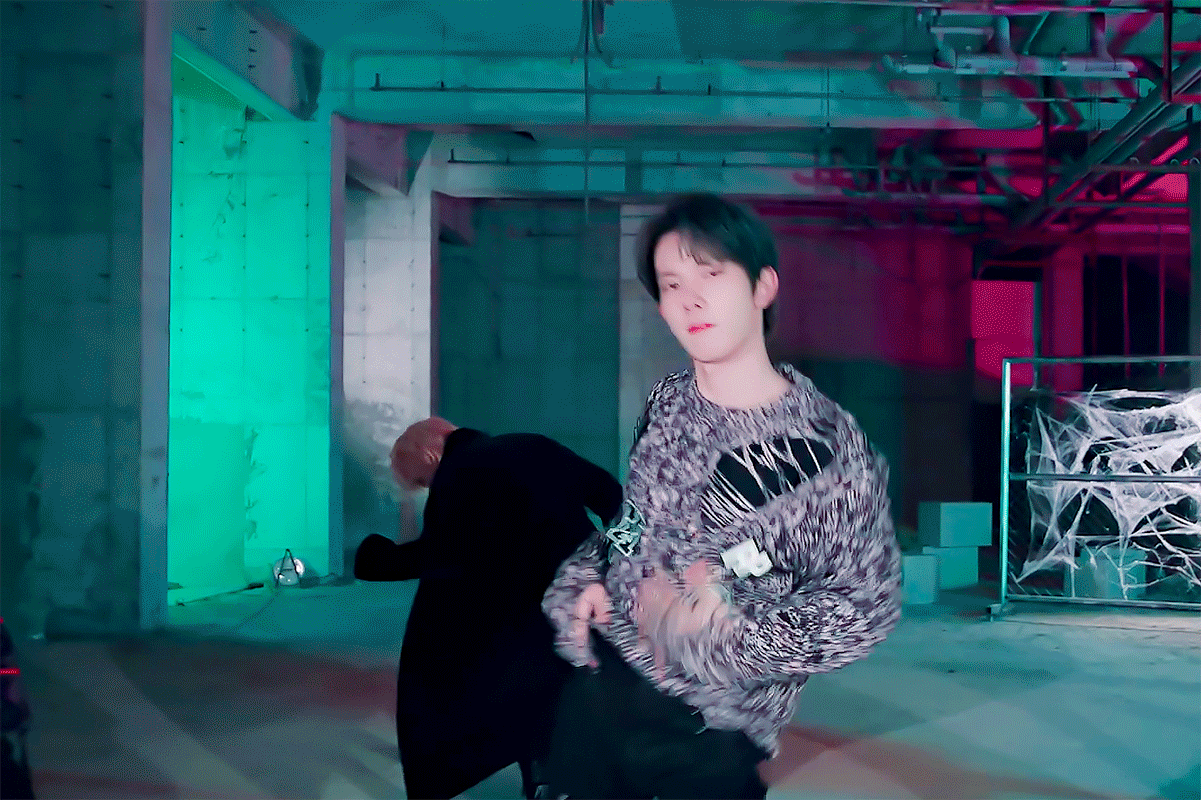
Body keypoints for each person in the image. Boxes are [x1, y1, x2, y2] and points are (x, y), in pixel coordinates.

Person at [541, 193, 903, 799]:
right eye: (671, 284)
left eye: (711, 275)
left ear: (763, 286)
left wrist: (724, 642)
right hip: (601, 689)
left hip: (709, 729)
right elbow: (635, 520)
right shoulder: (668, 399)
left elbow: (865, 607)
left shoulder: (826, 446)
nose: (690, 301)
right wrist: (590, 575)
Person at [354, 418, 623, 800]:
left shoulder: (456, 477)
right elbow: (610, 494)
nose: (428, 488)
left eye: (423, 481)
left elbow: (439, 554)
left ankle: (545, 778)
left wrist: (374, 557)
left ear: (429, 455)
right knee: (571, 693)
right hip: (576, 599)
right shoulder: (533, 443)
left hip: (510, 618)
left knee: (510, 695)